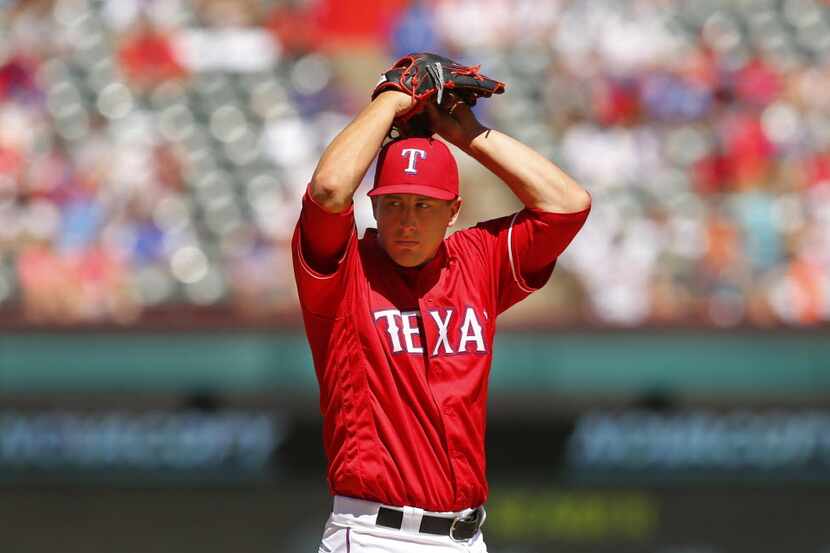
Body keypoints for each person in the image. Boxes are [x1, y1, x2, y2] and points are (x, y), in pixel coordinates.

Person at [292, 88, 591, 552]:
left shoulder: (477, 260)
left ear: (454, 210)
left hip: (467, 537)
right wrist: (389, 101)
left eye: (423, 205)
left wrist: (468, 134)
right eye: (393, 203)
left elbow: (568, 204)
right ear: (373, 206)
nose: (406, 221)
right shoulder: (343, 275)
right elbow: (330, 190)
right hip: (375, 534)